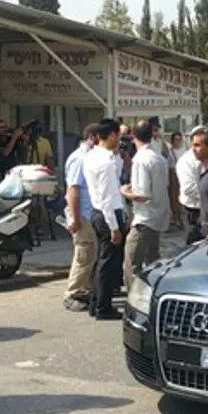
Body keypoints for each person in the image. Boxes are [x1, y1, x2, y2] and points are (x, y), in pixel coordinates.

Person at [83, 119, 127, 320]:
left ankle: (96, 302)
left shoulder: (93, 156)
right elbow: (108, 196)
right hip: (108, 214)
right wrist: (114, 227)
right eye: (117, 135)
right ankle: (103, 306)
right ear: (110, 135)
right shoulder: (105, 163)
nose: (119, 139)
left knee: (102, 260)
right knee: (108, 263)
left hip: (98, 212)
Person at [120, 120, 170, 291]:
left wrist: (125, 192)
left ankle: (135, 300)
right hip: (158, 215)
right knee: (153, 262)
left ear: (133, 136)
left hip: (145, 219)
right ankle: (154, 295)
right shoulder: (159, 158)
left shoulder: (141, 160)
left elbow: (142, 195)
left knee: (131, 262)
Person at [62, 123, 100, 312]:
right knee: (83, 256)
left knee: (91, 254)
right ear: (92, 137)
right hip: (82, 214)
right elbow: (73, 189)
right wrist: (76, 218)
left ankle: (85, 290)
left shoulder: (91, 157)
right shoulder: (79, 159)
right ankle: (72, 293)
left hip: (90, 214)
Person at [176, 134, 202, 245]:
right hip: (193, 209)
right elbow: (189, 188)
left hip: (207, 207)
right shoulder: (186, 161)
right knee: (194, 243)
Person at [167, 132, 186, 230]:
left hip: (183, 176)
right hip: (173, 175)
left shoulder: (185, 151)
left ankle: (181, 218)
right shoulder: (169, 151)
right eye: (176, 140)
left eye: (179, 140)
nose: (178, 142)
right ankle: (176, 217)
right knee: (174, 198)